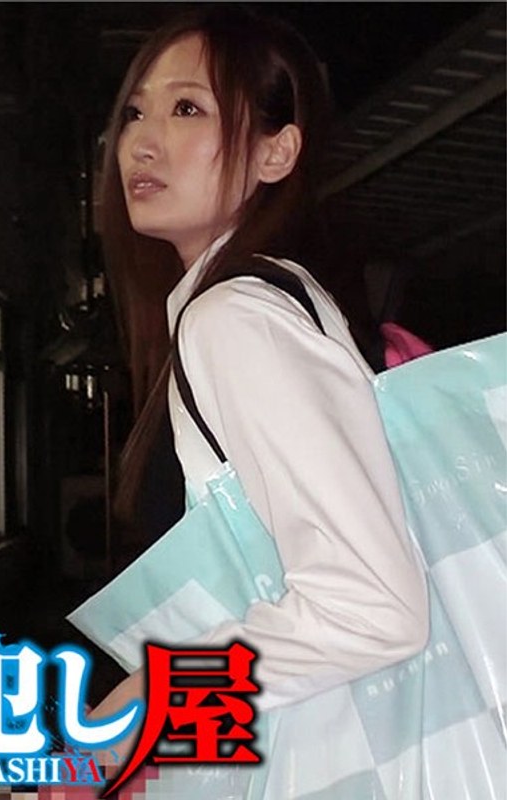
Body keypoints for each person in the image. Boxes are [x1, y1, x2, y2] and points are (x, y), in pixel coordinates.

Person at [90, 3, 429, 780]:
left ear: (276, 153)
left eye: (187, 109)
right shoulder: (271, 305)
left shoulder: (236, 319)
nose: (141, 141)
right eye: (135, 111)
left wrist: (142, 705)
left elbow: (373, 605)